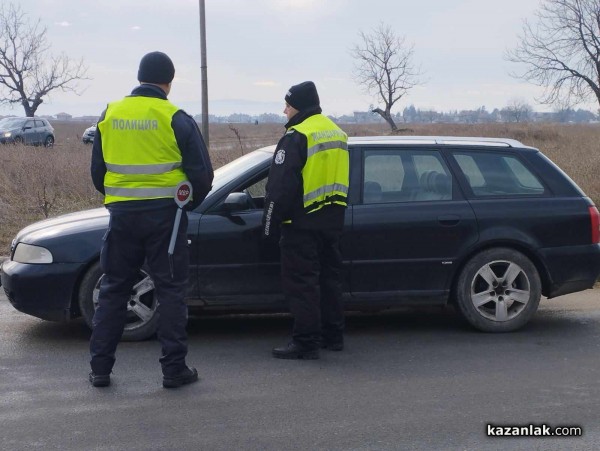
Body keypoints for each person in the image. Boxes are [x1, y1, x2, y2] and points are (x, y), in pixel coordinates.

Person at [89, 51, 214, 388]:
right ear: (169, 82)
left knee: (114, 289)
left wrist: (123, 197)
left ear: (139, 76)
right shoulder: (175, 117)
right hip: (165, 221)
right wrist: (185, 205)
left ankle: (100, 369)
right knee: (171, 290)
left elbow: (98, 173)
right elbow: (203, 176)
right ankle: (174, 371)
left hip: (122, 218)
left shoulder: (110, 113)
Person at [263, 81, 349, 360]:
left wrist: (268, 225)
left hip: (300, 225)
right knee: (329, 280)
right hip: (332, 221)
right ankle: (333, 336)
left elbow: (279, 188)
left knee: (302, 284)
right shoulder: (337, 133)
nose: (284, 110)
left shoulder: (297, 136)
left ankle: (306, 341)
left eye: (287, 105)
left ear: (297, 106)